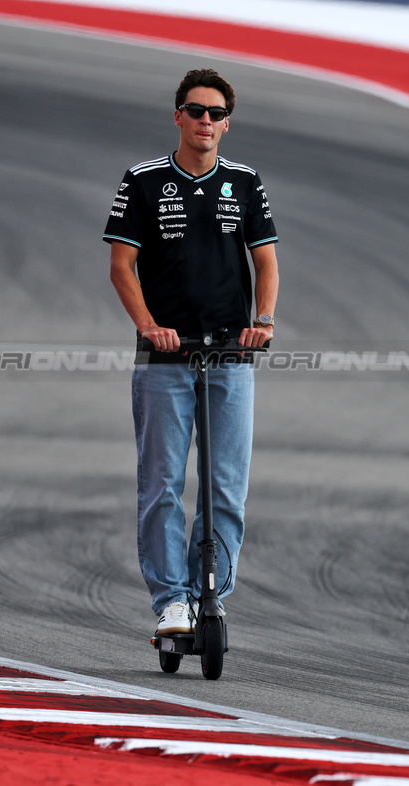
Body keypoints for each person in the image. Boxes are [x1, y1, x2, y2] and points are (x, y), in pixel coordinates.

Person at [104, 68, 279, 637]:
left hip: (231, 355)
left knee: (226, 486)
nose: (206, 121)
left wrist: (263, 321)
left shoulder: (245, 183)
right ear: (177, 115)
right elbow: (121, 266)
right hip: (165, 357)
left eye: (217, 113)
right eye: (197, 110)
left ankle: (212, 596)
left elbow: (266, 262)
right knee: (162, 485)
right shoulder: (143, 180)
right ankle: (171, 602)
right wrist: (149, 326)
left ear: (228, 124)